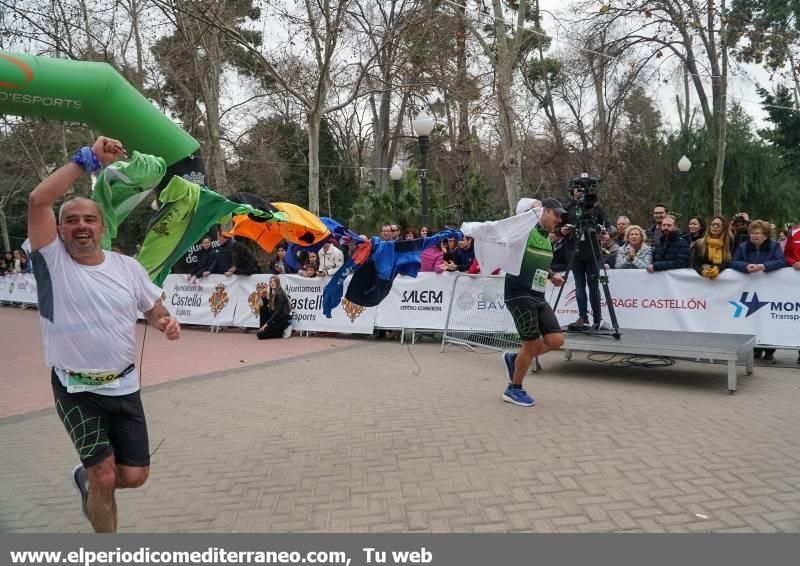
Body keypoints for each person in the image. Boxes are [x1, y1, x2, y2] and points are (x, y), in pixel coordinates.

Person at [27, 136, 180, 533]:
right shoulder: (52, 263)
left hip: (124, 387)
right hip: (75, 390)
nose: (80, 225)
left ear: (101, 225)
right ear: (59, 230)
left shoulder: (126, 267)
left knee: (133, 477)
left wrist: (163, 320)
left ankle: (84, 476)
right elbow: (38, 201)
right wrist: (87, 160)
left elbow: (151, 305)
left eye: (89, 219)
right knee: (106, 478)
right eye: (71, 220)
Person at [501, 197, 566, 407]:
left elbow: (536, 261)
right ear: (541, 213)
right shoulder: (522, 232)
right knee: (530, 345)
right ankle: (514, 388)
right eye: (554, 214)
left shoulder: (546, 237)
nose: (559, 218)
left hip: (538, 295)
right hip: (519, 294)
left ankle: (515, 359)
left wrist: (551, 275)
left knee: (556, 340)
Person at [732, 220, 787, 362]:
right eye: (752, 233)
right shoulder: (743, 246)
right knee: (752, 319)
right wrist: (746, 266)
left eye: (757, 233)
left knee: (768, 319)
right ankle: (755, 349)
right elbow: (734, 261)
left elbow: (781, 261)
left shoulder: (774, 246)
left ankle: (769, 350)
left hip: (769, 291)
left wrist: (764, 266)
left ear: (765, 235)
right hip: (749, 292)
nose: (754, 235)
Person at [561, 184, 608, 331]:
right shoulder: (567, 208)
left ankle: (597, 319)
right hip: (574, 252)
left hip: (592, 250)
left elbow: (607, 227)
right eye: (577, 188)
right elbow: (557, 227)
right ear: (571, 191)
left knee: (593, 284)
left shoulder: (596, 208)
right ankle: (583, 317)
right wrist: (561, 230)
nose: (580, 191)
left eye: (583, 188)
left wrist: (605, 234)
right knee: (579, 285)